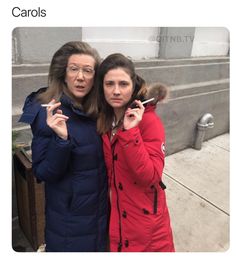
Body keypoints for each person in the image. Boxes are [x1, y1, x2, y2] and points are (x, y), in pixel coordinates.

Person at [19, 41, 108, 252]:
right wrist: (61, 141)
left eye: (88, 70)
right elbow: (43, 172)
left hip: (100, 214)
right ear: (63, 73)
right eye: (74, 69)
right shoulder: (48, 112)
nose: (80, 77)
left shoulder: (98, 109)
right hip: (70, 221)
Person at [96, 53, 175, 252]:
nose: (116, 91)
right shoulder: (105, 120)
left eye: (123, 84)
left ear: (133, 86)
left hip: (146, 223)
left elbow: (151, 176)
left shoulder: (148, 122)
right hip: (118, 214)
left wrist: (131, 133)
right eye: (109, 84)